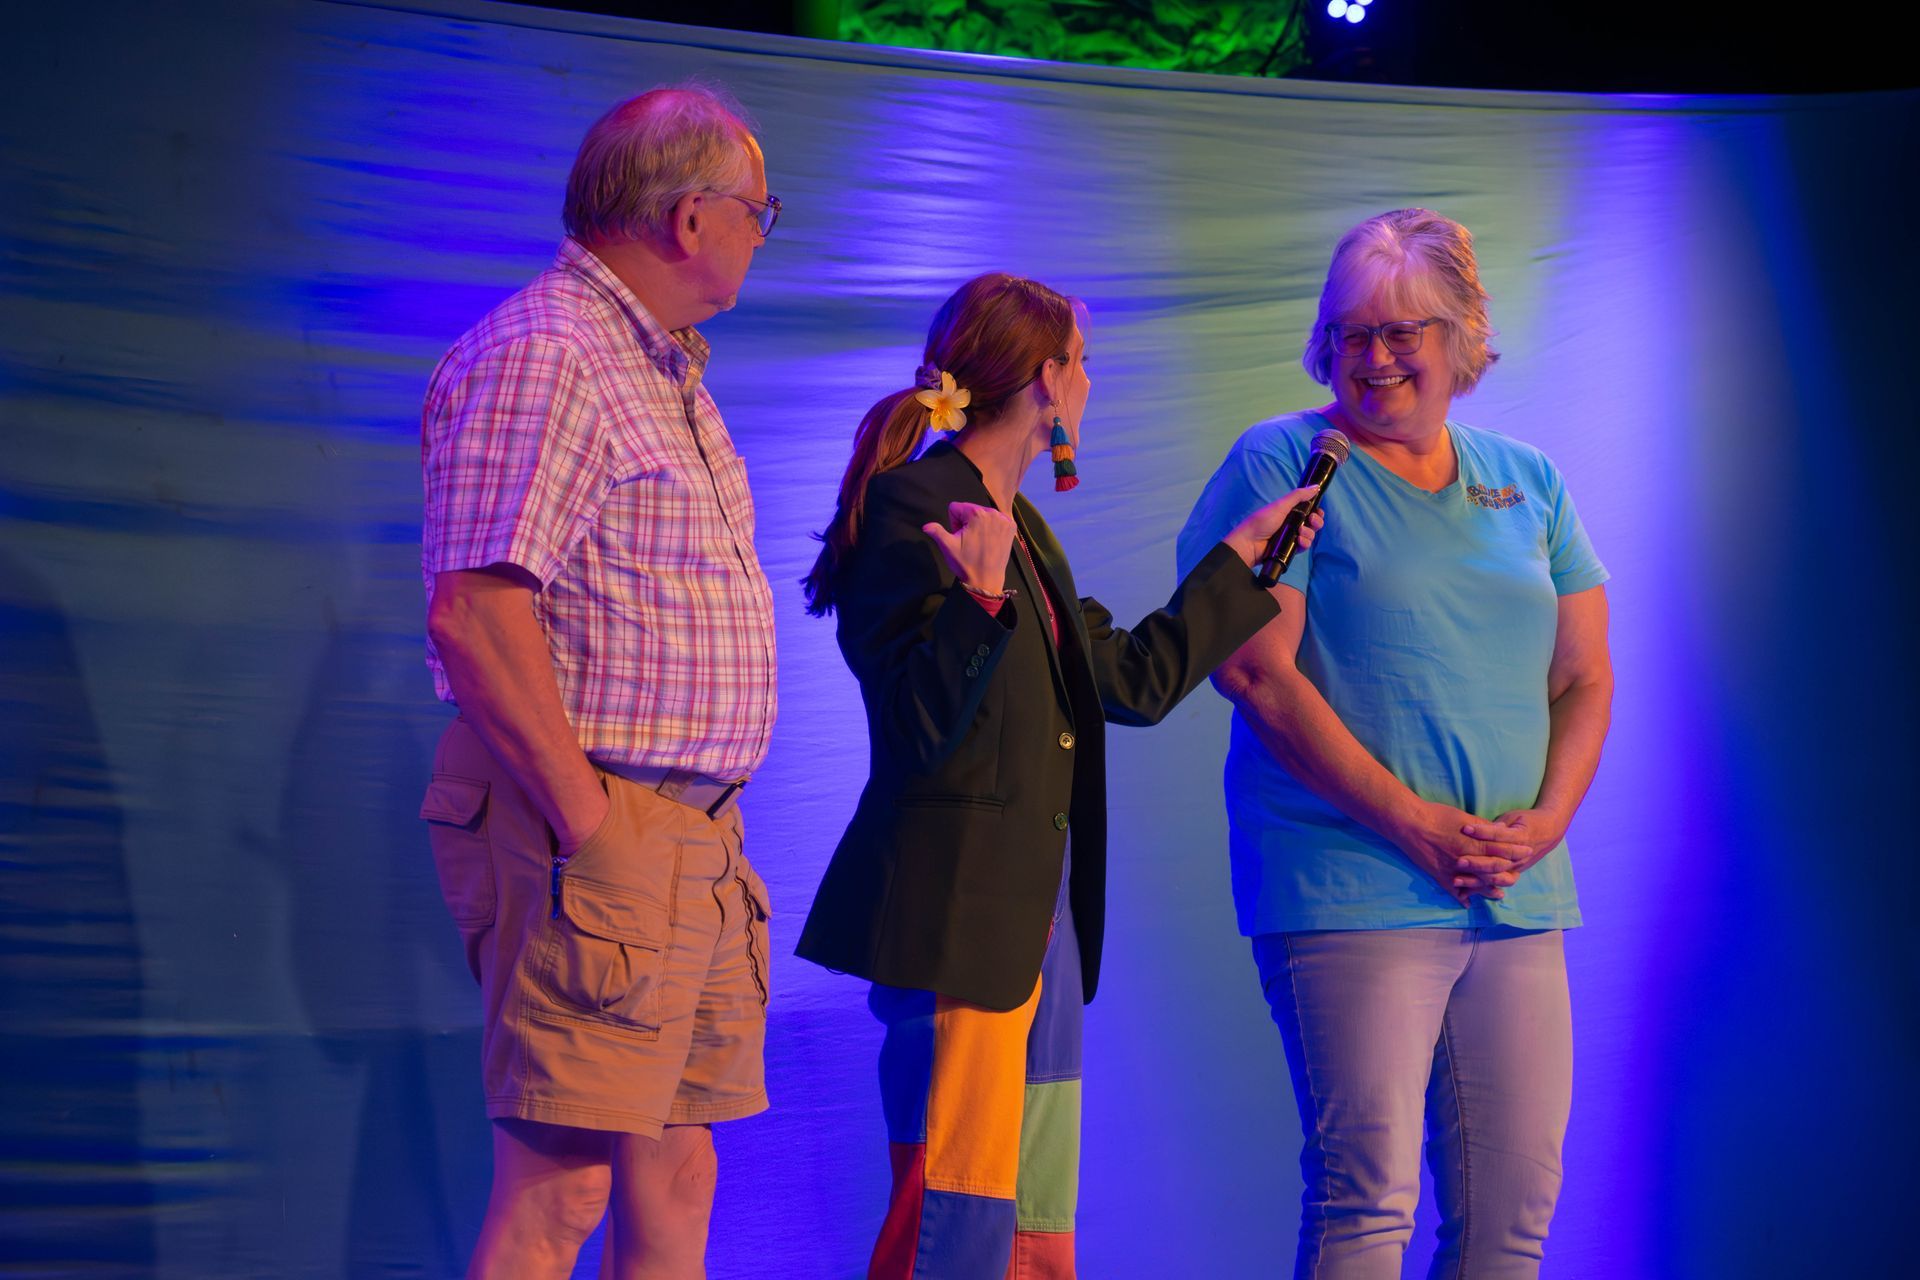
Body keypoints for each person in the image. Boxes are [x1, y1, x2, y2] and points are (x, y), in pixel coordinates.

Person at [795, 273, 1324, 1279]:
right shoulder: (915, 503)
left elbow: (1129, 677)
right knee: (954, 1206)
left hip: (1036, 928)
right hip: (962, 923)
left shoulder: (1025, 528)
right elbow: (917, 728)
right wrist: (976, 602)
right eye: (1083, 362)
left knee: (1030, 1216)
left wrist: (1245, 560)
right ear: (1048, 378)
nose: (1090, 382)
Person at [1177, 208, 1614, 1278]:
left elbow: (1585, 675)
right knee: (1367, 1198)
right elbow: (1254, 672)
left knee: (1513, 1218)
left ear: (1461, 334)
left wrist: (1547, 823)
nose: (1373, 359)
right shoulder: (1283, 459)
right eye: (1352, 333)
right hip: (1351, 884)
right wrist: (1416, 824)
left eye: (1401, 331)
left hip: (1514, 894)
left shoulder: (1531, 479)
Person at [417, 85, 780, 1280]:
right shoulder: (549, 354)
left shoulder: (656, 364)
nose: (760, 231)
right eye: (756, 209)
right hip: (600, 828)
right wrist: (592, 823)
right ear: (691, 217)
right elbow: (474, 612)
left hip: (685, 837)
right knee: (558, 1192)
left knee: (677, 1170)